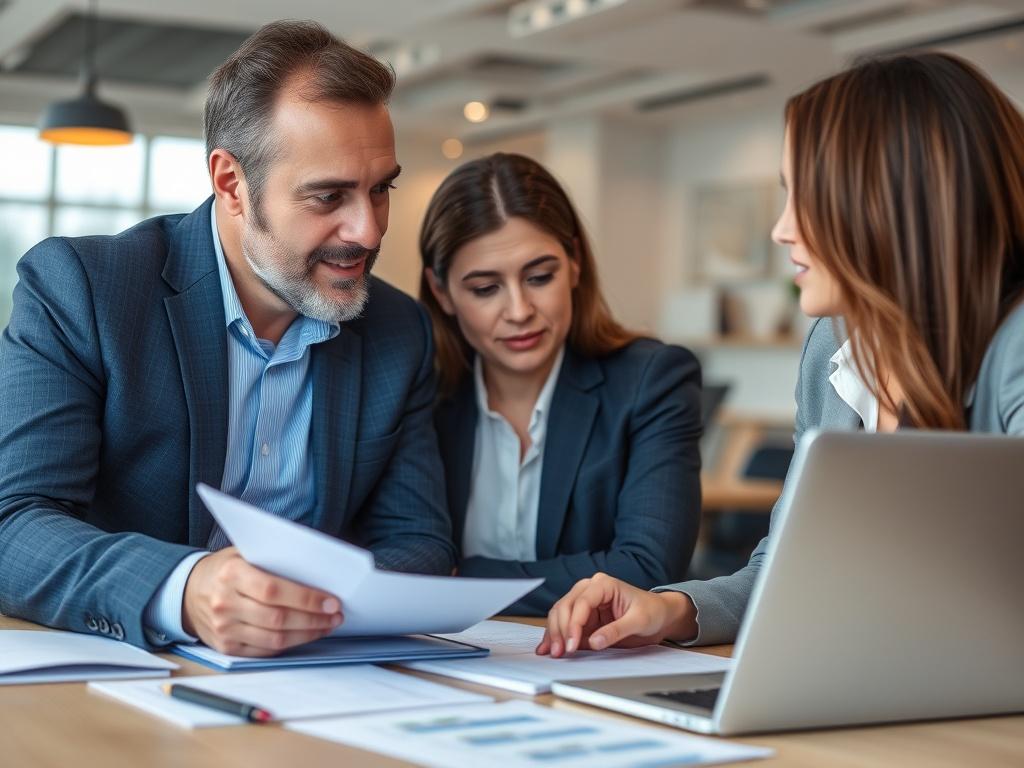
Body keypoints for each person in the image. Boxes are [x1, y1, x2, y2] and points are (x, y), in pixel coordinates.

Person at [537, 51, 1024, 656]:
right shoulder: (834, 351)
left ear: (893, 205)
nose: (781, 230)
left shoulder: (1015, 346)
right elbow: (784, 571)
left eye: (806, 198)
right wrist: (671, 608)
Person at [0, 21, 456, 656]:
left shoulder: (397, 330)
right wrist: (185, 590)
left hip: (318, 679)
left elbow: (421, 542)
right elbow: (14, 526)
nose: (370, 231)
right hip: (126, 676)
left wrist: (303, 605)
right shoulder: (83, 289)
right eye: (329, 196)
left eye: (381, 190)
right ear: (232, 184)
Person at [419, 153, 703, 614]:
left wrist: (460, 579)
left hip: (588, 661)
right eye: (485, 288)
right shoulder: (420, 396)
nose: (518, 310)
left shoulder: (652, 381)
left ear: (574, 263)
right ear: (441, 291)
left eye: (539, 277)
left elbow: (648, 570)